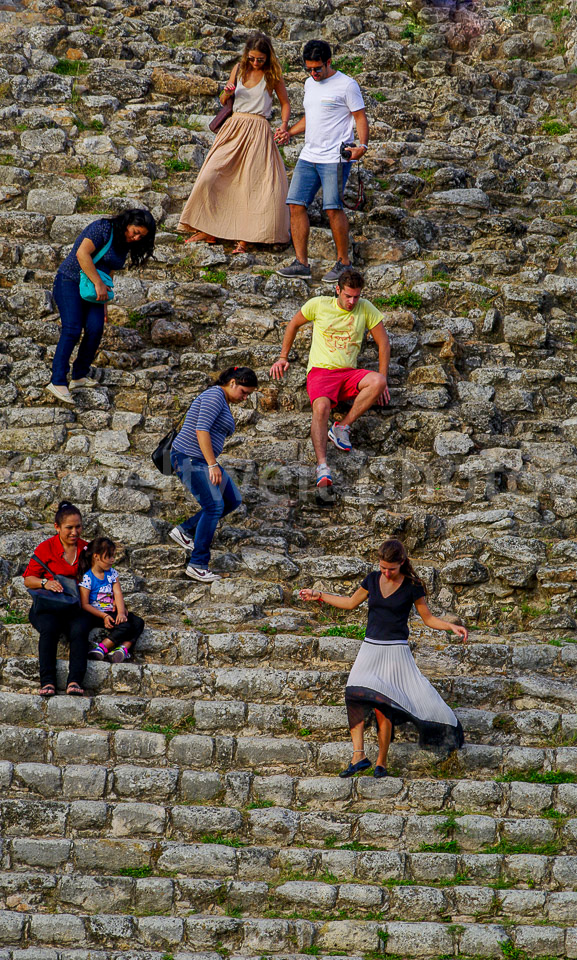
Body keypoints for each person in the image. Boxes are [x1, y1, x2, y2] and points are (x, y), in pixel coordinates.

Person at [300, 539, 467, 778]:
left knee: (383, 706)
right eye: (383, 567)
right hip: (370, 650)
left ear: (402, 562)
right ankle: (358, 756)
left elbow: (428, 618)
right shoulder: (371, 580)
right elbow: (349, 603)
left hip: (396, 653)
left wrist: (450, 626)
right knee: (353, 694)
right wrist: (318, 595)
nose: (386, 572)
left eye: (391, 568)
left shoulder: (412, 585)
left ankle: (382, 761)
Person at [270, 268, 390, 489]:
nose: (352, 301)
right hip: (321, 372)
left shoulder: (366, 309)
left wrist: (383, 376)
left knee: (378, 382)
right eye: (348, 296)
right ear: (337, 290)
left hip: (348, 374)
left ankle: (341, 428)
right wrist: (282, 357)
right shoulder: (319, 304)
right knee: (321, 407)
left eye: (356, 296)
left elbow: (383, 343)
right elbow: (293, 324)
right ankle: (322, 466)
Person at [178, 33, 290, 254]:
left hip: (258, 129)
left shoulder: (272, 75)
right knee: (211, 174)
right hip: (234, 127)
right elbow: (224, 99)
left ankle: (245, 238)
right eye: (252, 58)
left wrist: (284, 125)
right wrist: (226, 92)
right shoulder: (239, 69)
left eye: (260, 59)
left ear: (268, 57)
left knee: (252, 185)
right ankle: (207, 228)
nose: (255, 62)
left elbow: (285, 103)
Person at [275, 39, 369, 282]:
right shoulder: (309, 84)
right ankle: (301, 263)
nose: (313, 73)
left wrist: (362, 146)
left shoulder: (347, 85)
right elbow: (312, 117)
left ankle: (343, 263)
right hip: (309, 155)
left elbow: (360, 117)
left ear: (329, 62)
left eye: (317, 68)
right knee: (295, 204)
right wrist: (290, 132)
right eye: (309, 69)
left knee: (332, 208)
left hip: (335, 157)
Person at [47, 209, 156, 405]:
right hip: (70, 281)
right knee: (72, 328)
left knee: (96, 328)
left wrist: (104, 303)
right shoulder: (103, 228)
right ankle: (57, 381)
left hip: (95, 290)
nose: (136, 237)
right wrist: (98, 283)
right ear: (128, 222)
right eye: (135, 231)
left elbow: (109, 271)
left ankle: (79, 375)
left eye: (141, 236)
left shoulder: (124, 244)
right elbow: (82, 254)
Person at [169, 366, 259, 583]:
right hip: (190, 458)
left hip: (200, 459)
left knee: (232, 499)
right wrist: (212, 464)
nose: (245, 398)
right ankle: (197, 564)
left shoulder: (222, 400)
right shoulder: (214, 396)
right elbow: (202, 430)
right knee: (214, 506)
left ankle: (185, 530)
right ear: (233, 383)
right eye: (244, 392)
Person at [23, 500, 94, 697]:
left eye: (78, 527)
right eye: (69, 528)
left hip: (76, 606)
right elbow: (28, 579)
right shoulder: (46, 548)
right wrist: (46, 583)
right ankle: (47, 682)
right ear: (57, 527)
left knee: (80, 630)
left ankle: (75, 681)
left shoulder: (87, 550)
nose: (74, 532)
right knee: (49, 629)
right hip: (49, 606)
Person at [78, 537, 144, 663]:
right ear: (96, 556)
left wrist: (121, 612)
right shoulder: (87, 577)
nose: (113, 560)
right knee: (125, 627)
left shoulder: (112, 573)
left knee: (138, 622)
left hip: (111, 610)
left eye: (113, 556)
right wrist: (103, 616)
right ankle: (102, 648)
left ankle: (123, 649)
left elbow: (117, 593)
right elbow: (85, 604)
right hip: (96, 613)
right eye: (109, 556)